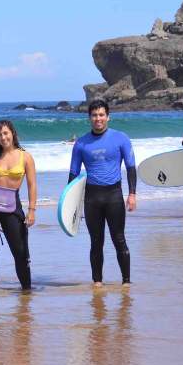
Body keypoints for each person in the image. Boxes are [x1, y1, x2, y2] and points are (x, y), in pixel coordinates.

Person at [68, 100, 136, 286]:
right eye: (94, 115)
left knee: (119, 239)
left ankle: (126, 282)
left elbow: (131, 167)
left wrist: (132, 194)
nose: (98, 118)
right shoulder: (81, 144)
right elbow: (73, 175)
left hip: (114, 195)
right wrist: (70, 205)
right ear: (89, 118)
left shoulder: (121, 138)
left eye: (101, 115)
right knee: (96, 241)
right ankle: (97, 282)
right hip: (92, 198)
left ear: (108, 116)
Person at [0, 120, 36, 290]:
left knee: (20, 251)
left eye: (5, 133)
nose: (3, 137)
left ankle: (26, 290)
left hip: (12, 206)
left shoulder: (25, 157)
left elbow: (32, 185)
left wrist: (31, 211)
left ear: (13, 133)